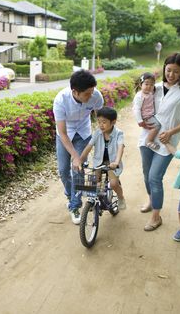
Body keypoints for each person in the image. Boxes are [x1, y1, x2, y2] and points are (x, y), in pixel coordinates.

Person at [138, 52, 180, 231]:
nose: (171, 75)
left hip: (167, 141)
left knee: (155, 177)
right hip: (147, 137)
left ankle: (156, 216)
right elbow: (139, 102)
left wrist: (170, 132)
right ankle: (151, 199)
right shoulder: (153, 87)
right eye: (168, 70)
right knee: (146, 174)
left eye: (176, 72)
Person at [53, 70, 104, 225]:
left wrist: (104, 138)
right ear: (75, 92)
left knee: (78, 170)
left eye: (92, 92)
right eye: (87, 94)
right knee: (63, 170)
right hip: (65, 135)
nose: (91, 96)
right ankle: (71, 194)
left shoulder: (95, 95)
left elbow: (101, 119)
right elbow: (62, 132)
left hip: (83, 133)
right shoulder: (61, 100)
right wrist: (75, 156)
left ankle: (75, 205)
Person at [80, 107, 126, 213]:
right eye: (99, 122)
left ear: (113, 122)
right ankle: (95, 201)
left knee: (114, 183)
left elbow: (120, 147)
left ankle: (120, 197)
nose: (101, 125)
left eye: (104, 122)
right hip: (99, 162)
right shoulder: (97, 133)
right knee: (94, 182)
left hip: (112, 163)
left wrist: (117, 162)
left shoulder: (119, 133)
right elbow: (89, 146)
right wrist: (80, 160)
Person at [133, 72, 161, 150]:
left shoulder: (150, 93)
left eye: (152, 85)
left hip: (150, 115)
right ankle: (148, 141)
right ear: (140, 84)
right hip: (146, 117)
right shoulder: (139, 96)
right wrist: (140, 121)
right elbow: (136, 109)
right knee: (157, 125)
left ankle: (149, 140)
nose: (149, 87)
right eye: (146, 84)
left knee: (156, 125)